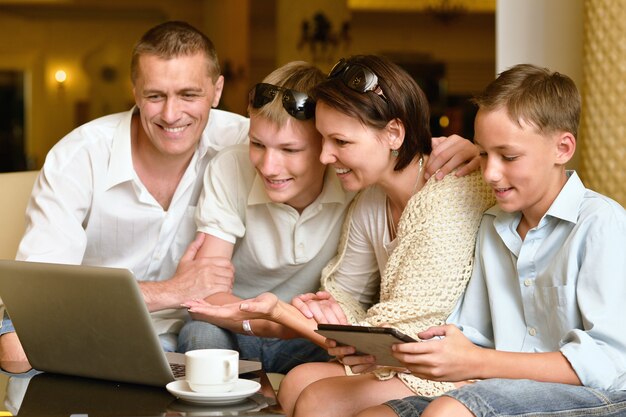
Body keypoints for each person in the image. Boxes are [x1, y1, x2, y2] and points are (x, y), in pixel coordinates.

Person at [184, 54, 495, 416]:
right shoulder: (369, 200)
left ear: (394, 133)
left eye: (339, 142)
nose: (327, 156)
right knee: (296, 381)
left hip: (450, 359)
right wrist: (330, 309)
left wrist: (287, 314)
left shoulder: (444, 196)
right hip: (395, 347)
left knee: (315, 397)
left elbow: (403, 327)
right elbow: (345, 292)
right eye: (323, 139)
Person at [358, 64, 626, 417]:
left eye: (509, 156)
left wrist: (478, 363)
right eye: (483, 153)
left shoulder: (601, 223)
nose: (490, 173)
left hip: (598, 395)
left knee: (447, 412)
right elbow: (472, 332)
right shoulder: (492, 225)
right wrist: (391, 349)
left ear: (563, 148)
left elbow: (608, 361)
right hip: (501, 388)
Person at [0, 20, 249, 374]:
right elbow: (37, 304)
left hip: (194, 339)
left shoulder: (248, 145)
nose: (171, 114)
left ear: (217, 90)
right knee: (16, 347)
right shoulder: (80, 155)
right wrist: (171, 291)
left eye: (189, 95)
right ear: (135, 91)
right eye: (155, 95)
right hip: (86, 332)